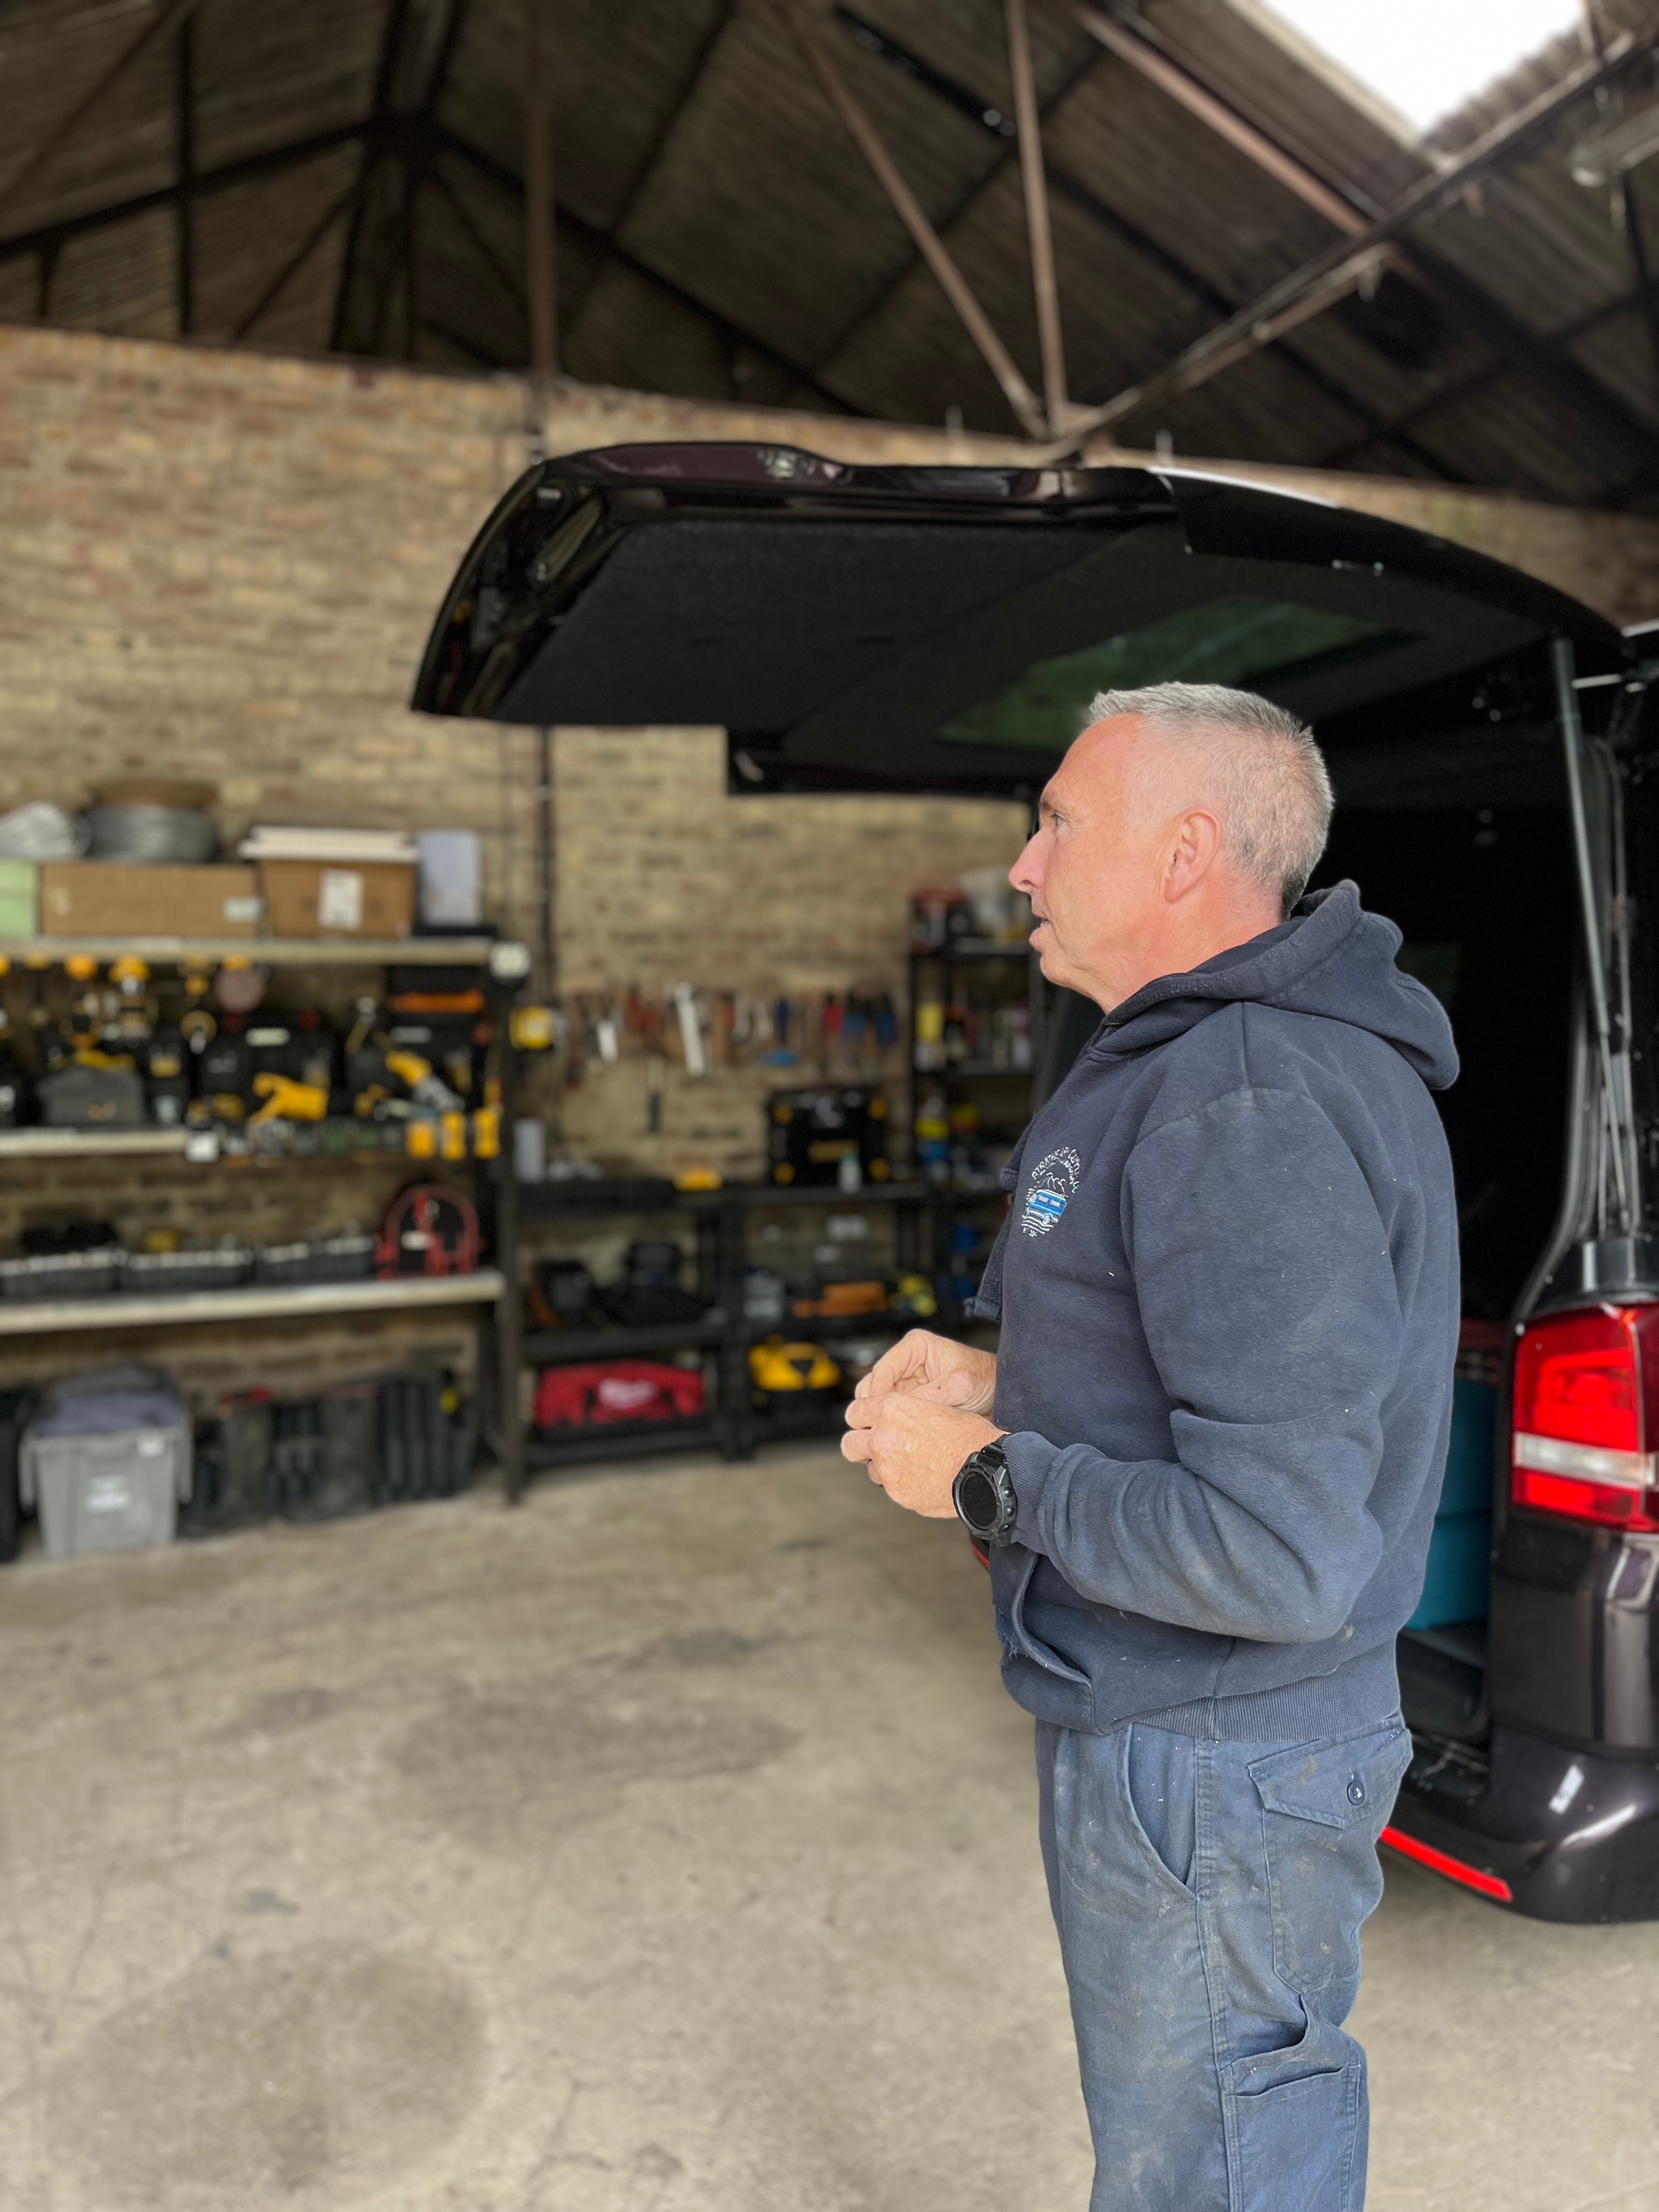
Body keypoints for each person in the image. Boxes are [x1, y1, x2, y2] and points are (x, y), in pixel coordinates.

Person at [843, 682, 1458, 2212]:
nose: (1022, 865)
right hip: (1191, 1737)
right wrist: (1011, 1372)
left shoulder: (1240, 1093)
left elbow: (1276, 1544)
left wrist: (985, 1473)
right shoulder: (1193, 1065)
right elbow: (1196, 1363)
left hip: (1214, 1749)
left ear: (1185, 852)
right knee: (1199, 2141)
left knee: (1213, 2169)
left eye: (1056, 819)